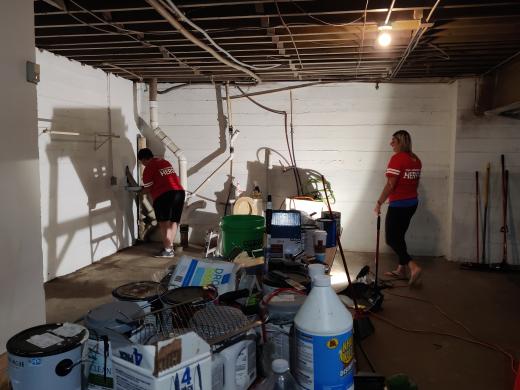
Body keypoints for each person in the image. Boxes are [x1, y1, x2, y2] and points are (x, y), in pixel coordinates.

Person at [374, 130, 422, 285]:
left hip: (399, 205)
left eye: (394, 140)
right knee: (399, 236)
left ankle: (413, 266)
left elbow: (390, 185)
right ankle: (401, 269)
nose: (391, 143)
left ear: (400, 142)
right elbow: (415, 182)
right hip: (412, 203)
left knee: (391, 239)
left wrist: (379, 202)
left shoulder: (397, 159)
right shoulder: (416, 159)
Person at [137, 148, 185, 258]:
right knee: (174, 221)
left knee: (164, 223)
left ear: (143, 160)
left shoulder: (149, 167)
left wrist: (138, 191)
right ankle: (169, 248)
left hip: (165, 195)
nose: (142, 164)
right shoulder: (164, 162)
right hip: (179, 192)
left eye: (141, 162)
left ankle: (168, 251)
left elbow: (148, 188)